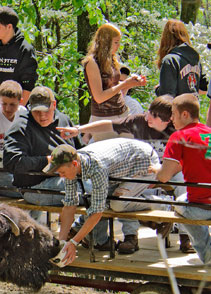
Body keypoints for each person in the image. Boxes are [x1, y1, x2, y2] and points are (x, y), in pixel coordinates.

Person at [57, 95, 195, 253]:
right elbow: (109, 125)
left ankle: (186, 236)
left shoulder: (177, 130)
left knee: (183, 185)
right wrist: (79, 130)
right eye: (150, 111)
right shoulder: (139, 121)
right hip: (140, 169)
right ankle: (131, 235)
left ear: (169, 120)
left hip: (171, 168)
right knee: (118, 198)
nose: (149, 117)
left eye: (155, 116)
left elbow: (189, 158)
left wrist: (164, 174)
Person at [45, 141, 171, 265]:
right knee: (110, 201)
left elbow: (97, 212)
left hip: (144, 162)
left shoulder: (97, 167)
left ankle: (163, 204)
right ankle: (144, 199)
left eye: (62, 172)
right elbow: (69, 205)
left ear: (74, 164)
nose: (60, 176)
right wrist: (61, 242)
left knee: (118, 204)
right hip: (120, 167)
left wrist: (73, 242)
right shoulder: (71, 168)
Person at [153, 94, 211, 264]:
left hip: (200, 205)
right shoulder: (209, 133)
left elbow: (163, 177)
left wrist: (158, 169)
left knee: (178, 205)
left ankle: (208, 255)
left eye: (173, 113)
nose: (171, 119)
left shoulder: (179, 137)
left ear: (184, 114)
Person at [3, 86, 83, 211]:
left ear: (54, 105)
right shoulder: (21, 126)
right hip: (36, 188)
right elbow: (12, 162)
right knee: (94, 189)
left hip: (66, 177)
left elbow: (81, 149)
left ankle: (79, 229)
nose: (42, 116)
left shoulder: (64, 120)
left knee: (101, 184)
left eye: (46, 111)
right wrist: (50, 160)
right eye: (37, 112)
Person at [82, 23, 146, 141]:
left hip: (122, 113)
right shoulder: (92, 63)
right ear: (105, 42)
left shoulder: (112, 59)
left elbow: (115, 87)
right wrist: (124, 84)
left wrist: (132, 82)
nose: (118, 46)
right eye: (116, 42)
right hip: (104, 117)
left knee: (128, 151)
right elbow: (99, 97)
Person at [156, 19, 208, 98]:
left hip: (176, 109)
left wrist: (158, 89)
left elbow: (167, 96)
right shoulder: (195, 58)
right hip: (193, 107)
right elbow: (204, 88)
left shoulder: (170, 60)